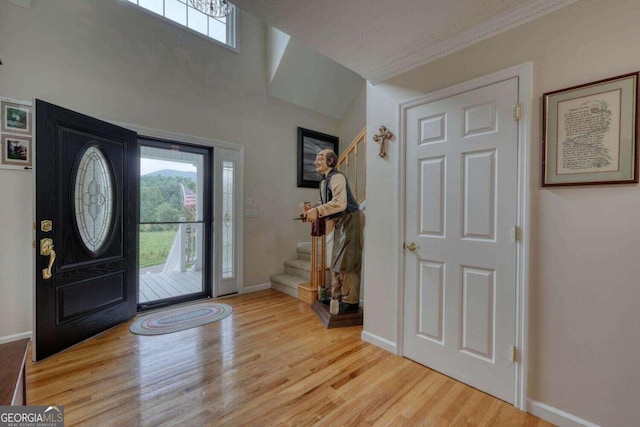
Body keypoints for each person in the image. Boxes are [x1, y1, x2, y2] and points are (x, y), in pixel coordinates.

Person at [303, 149, 363, 313]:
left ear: (330, 161)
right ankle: (336, 297)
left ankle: (351, 301)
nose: (316, 161)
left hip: (350, 219)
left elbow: (340, 203)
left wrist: (319, 211)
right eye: (316, 158)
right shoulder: (324, 182)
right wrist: (313, 210)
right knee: (336, 259)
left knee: (348, 261)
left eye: (320, 158)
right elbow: (327, 203)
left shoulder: (337, 177)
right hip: (339, 222)